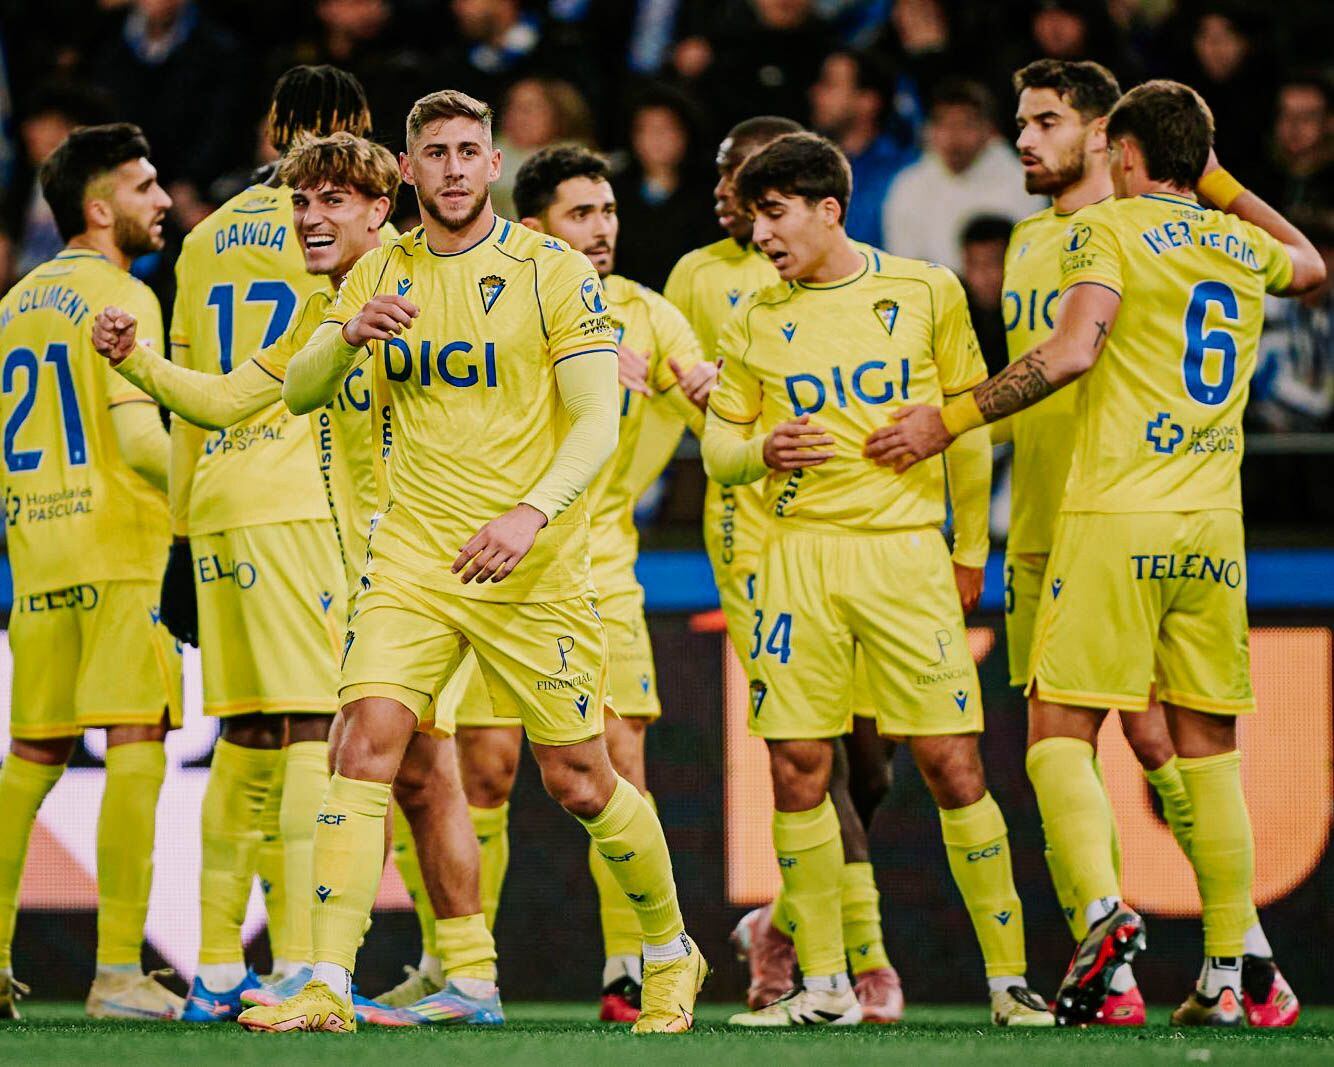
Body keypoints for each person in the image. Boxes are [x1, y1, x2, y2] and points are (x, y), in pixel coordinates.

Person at [237, 88, 705, 1036]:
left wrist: (530, 515)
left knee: (579, 776)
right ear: (407, 172)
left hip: (531, 564)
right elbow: (299, 391)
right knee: (364, 741)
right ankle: (326, 978)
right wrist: (348, 333)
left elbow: (597, 422)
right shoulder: (380, 269)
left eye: (468, 150)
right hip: (412, 557)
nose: (452, 167)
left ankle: (669, 951)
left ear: (494, 164)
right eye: (435, 153)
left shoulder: (552, 271)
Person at [873, 79, 1321, 1028]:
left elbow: (1071, 352)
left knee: (1070, 740)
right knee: (1203, 751)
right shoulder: (1211, 242)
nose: (1026, 138)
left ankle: (1123, 938)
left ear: (1111, 142)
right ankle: (1224, 970)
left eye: (1047, 122)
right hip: (1197, 525)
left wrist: (946, 422)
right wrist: (1217, 180)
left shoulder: (1103, 234)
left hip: (1107, 517)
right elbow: (1312, 266)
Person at [91, 130, 510, 1029]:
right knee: (414, 771)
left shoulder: (432, 278)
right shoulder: (334, 306)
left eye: (329, 202)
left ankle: (333, 974)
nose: (308, 218)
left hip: (442, 563)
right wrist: (136, 363)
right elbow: (234, 396)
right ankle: (457, 976)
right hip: (383, 571)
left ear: (375, 209)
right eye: (301, 202)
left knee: (431, 765)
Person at [702, 132, 1052, 1029]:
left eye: (774, 214)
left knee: (951, 762)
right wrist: (758, 449)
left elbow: (965, 425)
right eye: (752, 217)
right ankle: (823, 984)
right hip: (796, 560)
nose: (762, 234)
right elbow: (719, 447)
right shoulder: (752, 314)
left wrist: (970, 548)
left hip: (904, 556)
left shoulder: (923, 290)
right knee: (799, 764)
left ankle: (1008, 982)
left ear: (828, 209)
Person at [665, 115, 906, 1026]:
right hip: (756, 540)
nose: (727, 196)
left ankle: (780, 919)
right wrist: (694, 392)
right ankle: (863, 962)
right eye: (727, 178)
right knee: (815, 754)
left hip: (858, 538)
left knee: (875, 763)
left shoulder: (859, 275)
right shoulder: (699, 276)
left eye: (747, 183)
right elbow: (676, 384)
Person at [158, 65, 371, 1023]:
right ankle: (294, 964)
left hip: (215, 499)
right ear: (342, 133)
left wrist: (176, 530)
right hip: (301, 497)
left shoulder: (203, 239)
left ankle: (212, 968)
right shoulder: (348, 229)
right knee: (312, 733)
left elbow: (195, 393)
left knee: (242, 734)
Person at [513, 143, 714, 1020]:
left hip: (602, 571)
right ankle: (465, 974)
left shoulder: (649, 314)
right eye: (579, 214)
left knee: (619, 765)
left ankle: (632, 964)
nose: (601, 231)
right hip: (498, 566)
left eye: (607, 212)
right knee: (477, 771)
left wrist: (708, 390)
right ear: (532, 230)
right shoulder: (500, 308)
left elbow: (721, 407)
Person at [0, 123, 182, 1021]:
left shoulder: (12, 304)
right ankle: (117, 972)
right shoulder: (124, 298)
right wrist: (213, 483)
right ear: (100, 206)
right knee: (137, 747)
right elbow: (141, 442)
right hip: (121, 552)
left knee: (31, 757)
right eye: (146, 186)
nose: (163, 201)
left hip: (36, 556)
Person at [882, 78, 1043, 272]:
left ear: (989, 130)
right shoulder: (907, 185)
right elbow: (903, 265)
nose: (953, 137)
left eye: (966, 124)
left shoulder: (1024, 182)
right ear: (929, 131)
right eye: (944, 124)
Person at [809, 49, 919, 248]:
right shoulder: (808, 168)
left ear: (867, 102)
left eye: (830, 84)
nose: (816, 93)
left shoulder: (905, 173)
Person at [958, 214, 1012, 376]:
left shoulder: (1033, 311)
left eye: (991, 264)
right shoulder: (949, 309)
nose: (983, 276)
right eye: (974, 264)